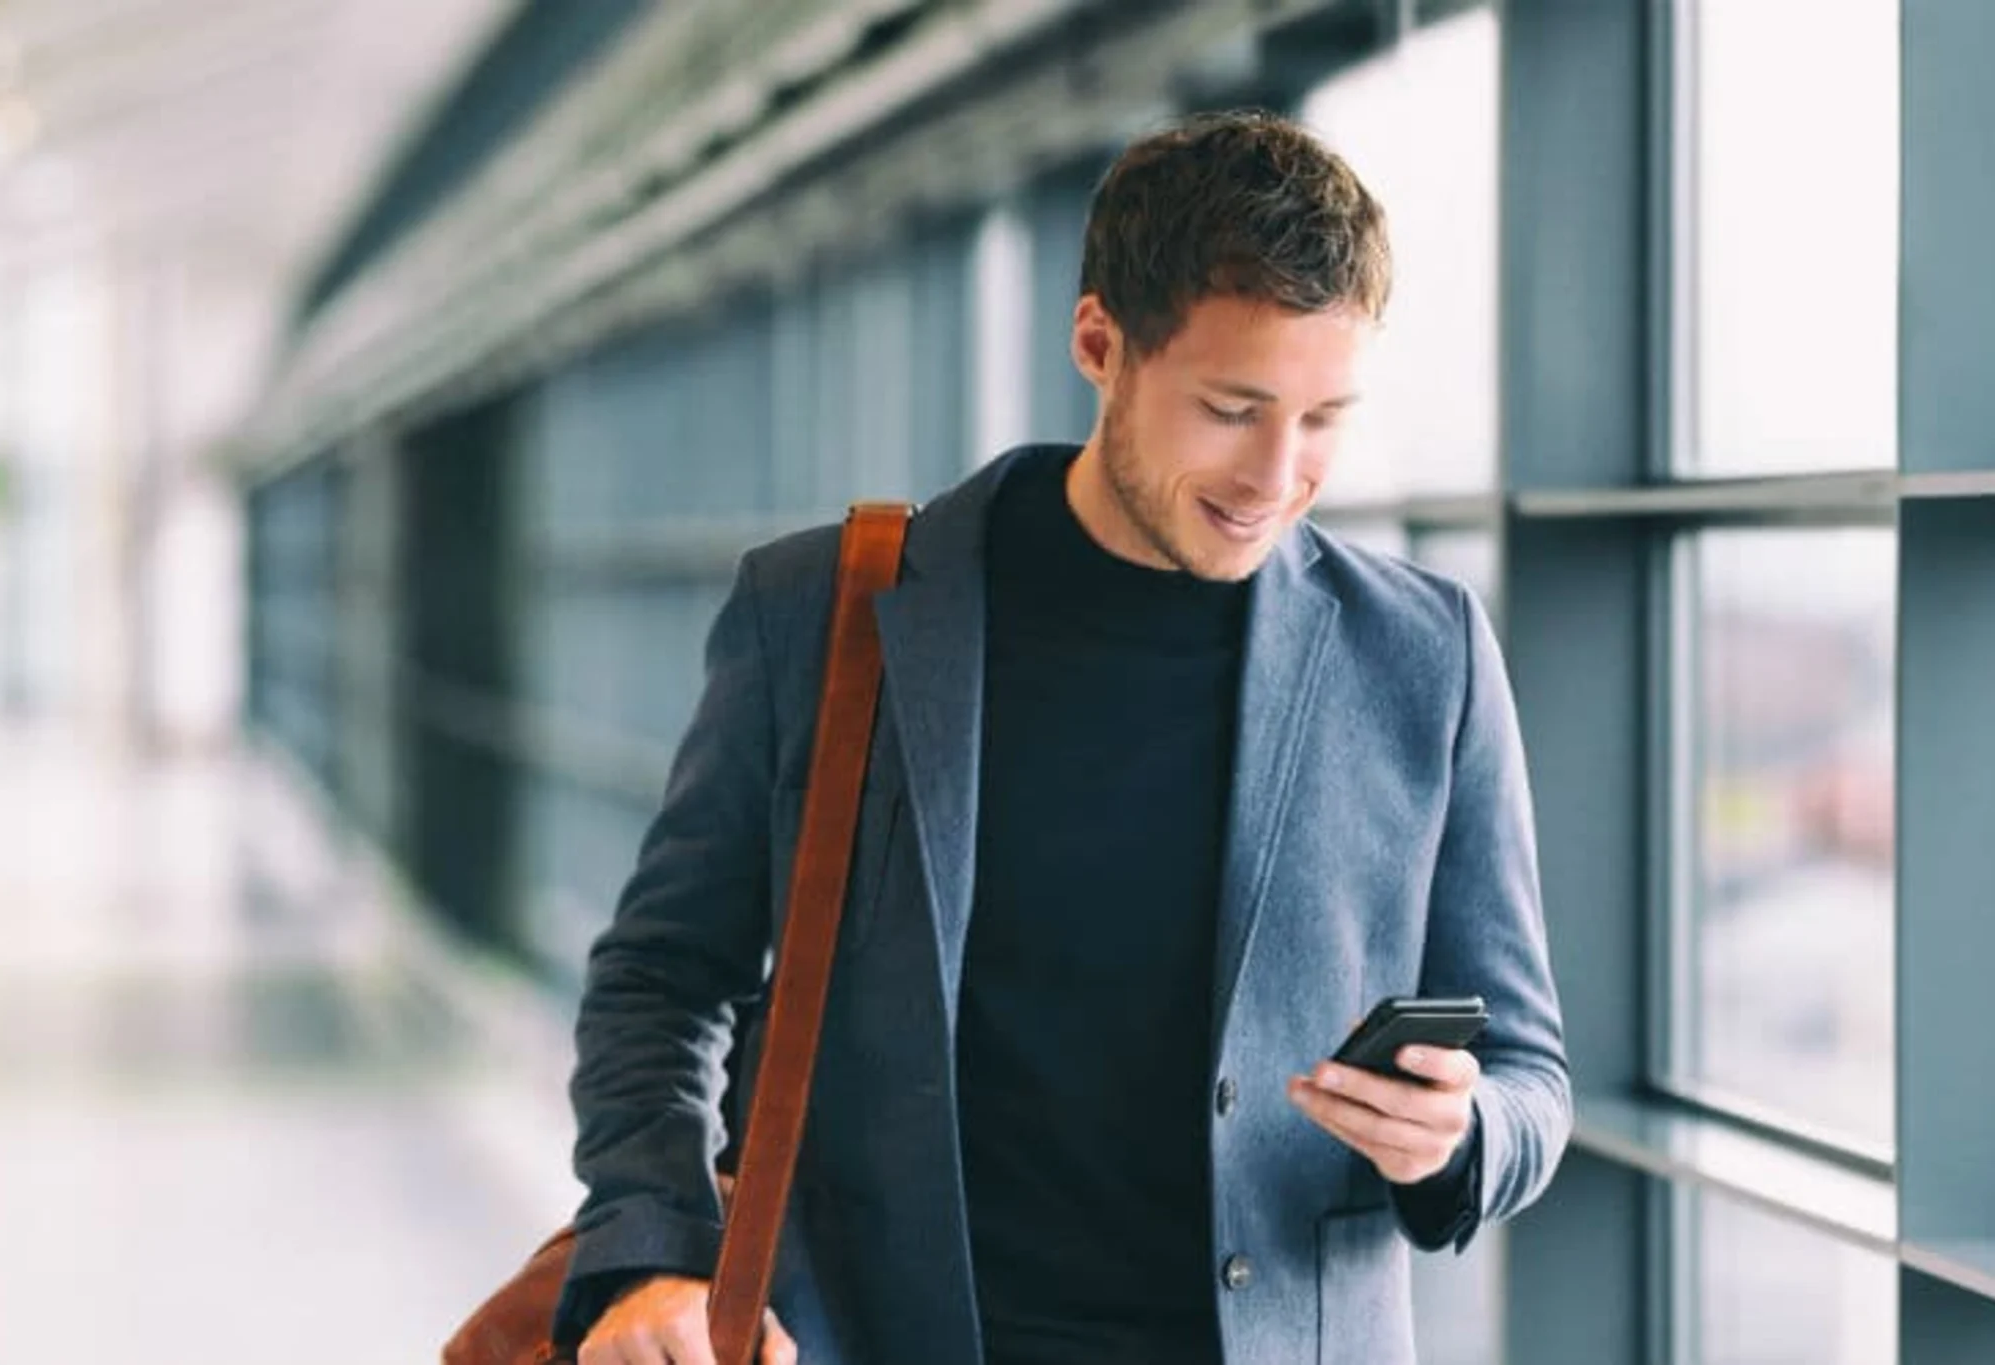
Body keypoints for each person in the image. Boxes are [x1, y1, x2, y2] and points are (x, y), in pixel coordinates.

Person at [555, 110, 1571, 1365]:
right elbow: (660, 978)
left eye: (1322, 419)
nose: (1276, 474)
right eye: (1231, 408)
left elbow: (1528, 1074)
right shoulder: (827, 613)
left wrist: (1459, 1140)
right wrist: (653, 1252)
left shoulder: (1423, 657)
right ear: (1099, 343)